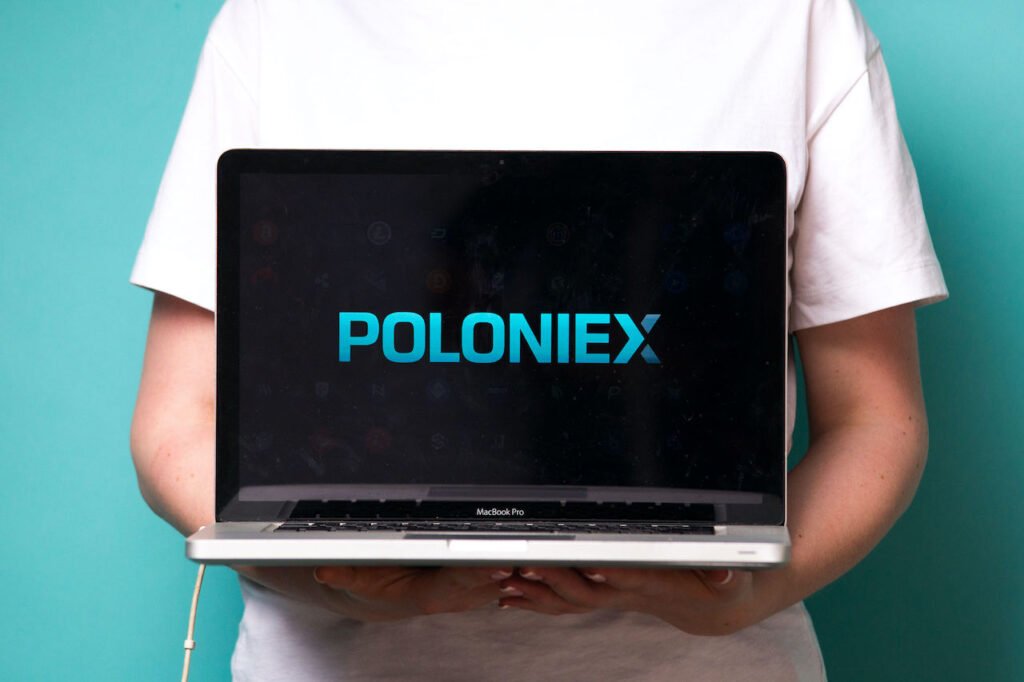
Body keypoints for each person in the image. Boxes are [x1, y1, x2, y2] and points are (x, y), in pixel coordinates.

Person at [129, 1, 948, 679]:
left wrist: (743, 599)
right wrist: (331, 581)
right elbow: (177, 423)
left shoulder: (792, 19)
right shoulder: (279, 20)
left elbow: (876, 419)